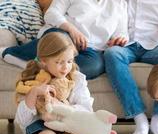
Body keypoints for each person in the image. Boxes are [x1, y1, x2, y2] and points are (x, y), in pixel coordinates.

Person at [104, 0, 158, 134]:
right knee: (111, 53)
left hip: (155, 47)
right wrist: (114, 38)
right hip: (127, 47)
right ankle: (139, 117)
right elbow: (110, 20)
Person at [0, 0, 128, 80]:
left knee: (95, 66)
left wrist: (120, 39)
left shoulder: (121, 4)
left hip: (90, 50)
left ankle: (38, 67)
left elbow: (122, 32)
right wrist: (72, 30)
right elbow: (51, 13)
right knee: (57, 41)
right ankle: (9, 52)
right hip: (64, 35)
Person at [15, 32, 93, 134]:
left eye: (69, 61)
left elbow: (87, 109)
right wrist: (34, 92)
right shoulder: (34, 80)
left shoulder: (76, 79)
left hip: (69, 125)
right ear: (43, 61)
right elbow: (24, 122)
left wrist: (63, 107)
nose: (65, 67)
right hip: (43, 126)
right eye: (59, 62)